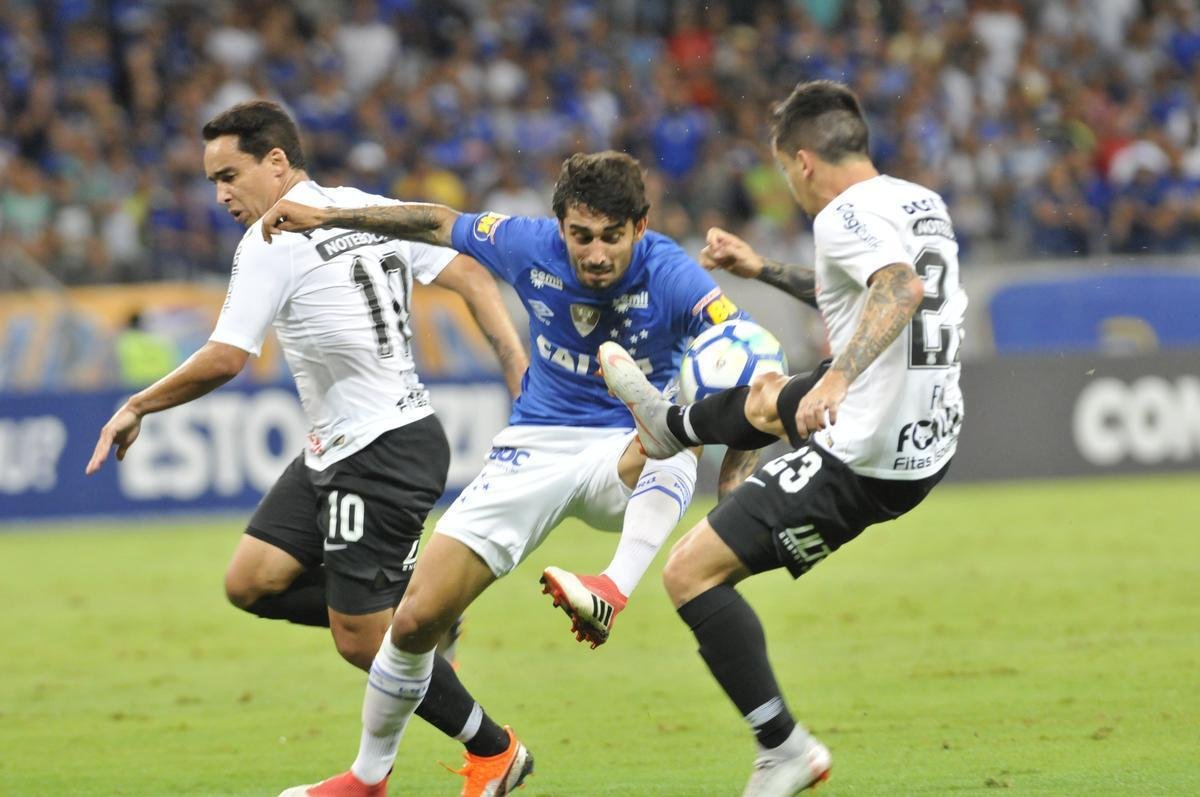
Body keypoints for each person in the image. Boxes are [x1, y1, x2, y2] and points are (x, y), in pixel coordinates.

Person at [260, 150, 760, 796]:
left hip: (626, 457)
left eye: (613, 236)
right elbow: (438, 223)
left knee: (679, 418)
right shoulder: (528, 244)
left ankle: (613, 583)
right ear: (559, 227)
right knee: (413, 621)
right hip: (535, 443)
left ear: (641, 226)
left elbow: (752, 371)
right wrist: (328, 216)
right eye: (581, 235)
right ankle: (371, 778)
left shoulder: (674, 275)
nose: (596, 254)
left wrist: (735, 496)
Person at [85, 100, 533, 796]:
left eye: (229, 175)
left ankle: (493, 750)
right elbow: (471, 275)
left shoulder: (272, 239)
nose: (221, 194)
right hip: (341, 447)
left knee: (360, 638)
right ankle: (413, 610)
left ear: (276, 162)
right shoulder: (365, 207)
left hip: (382, 449)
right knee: (251, 579)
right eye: (211, 181)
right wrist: (516, 369)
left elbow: (229, 356)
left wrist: (137, 402)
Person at [599, 80, 966, 795]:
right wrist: (762, 269)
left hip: (867, 452)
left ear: (800, 162)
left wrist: (837, 380)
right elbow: (868, 289)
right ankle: (671, 428)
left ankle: (784, 747)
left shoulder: (839, 215)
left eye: (779, 172)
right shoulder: (919, 201)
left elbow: (898, 290)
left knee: (689, 574)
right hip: (930, 435)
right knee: (769, 396)